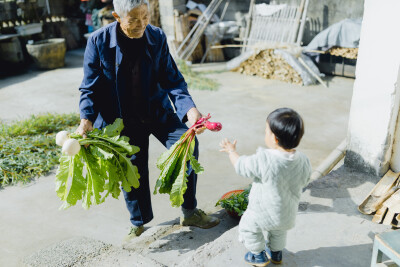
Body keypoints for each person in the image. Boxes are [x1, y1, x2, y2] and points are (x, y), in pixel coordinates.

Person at [76, 0, 219, 243]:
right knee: (132, 169)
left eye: (145, 16)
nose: (141, 23)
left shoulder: (156, 37)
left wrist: (190, 110)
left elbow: (172, 79)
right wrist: (86, 120)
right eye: (133, 19)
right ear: (117, 17)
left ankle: (189, 211)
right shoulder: (98, 42)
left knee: (187, 146)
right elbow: (89, 89)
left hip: (156, 110)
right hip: (120, 118)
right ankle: (138, 224)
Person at [219, 108, 312, 266]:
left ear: (274, 138)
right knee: (279, 232)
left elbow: (241, 166)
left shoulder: (265, 159)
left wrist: (231, 151)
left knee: (248, 228)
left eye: (266, 131)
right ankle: (276, 255)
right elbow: (305, 179)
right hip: (286, 213)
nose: (265, 134)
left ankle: (258, 256)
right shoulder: (303, 160)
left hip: (262, 212)